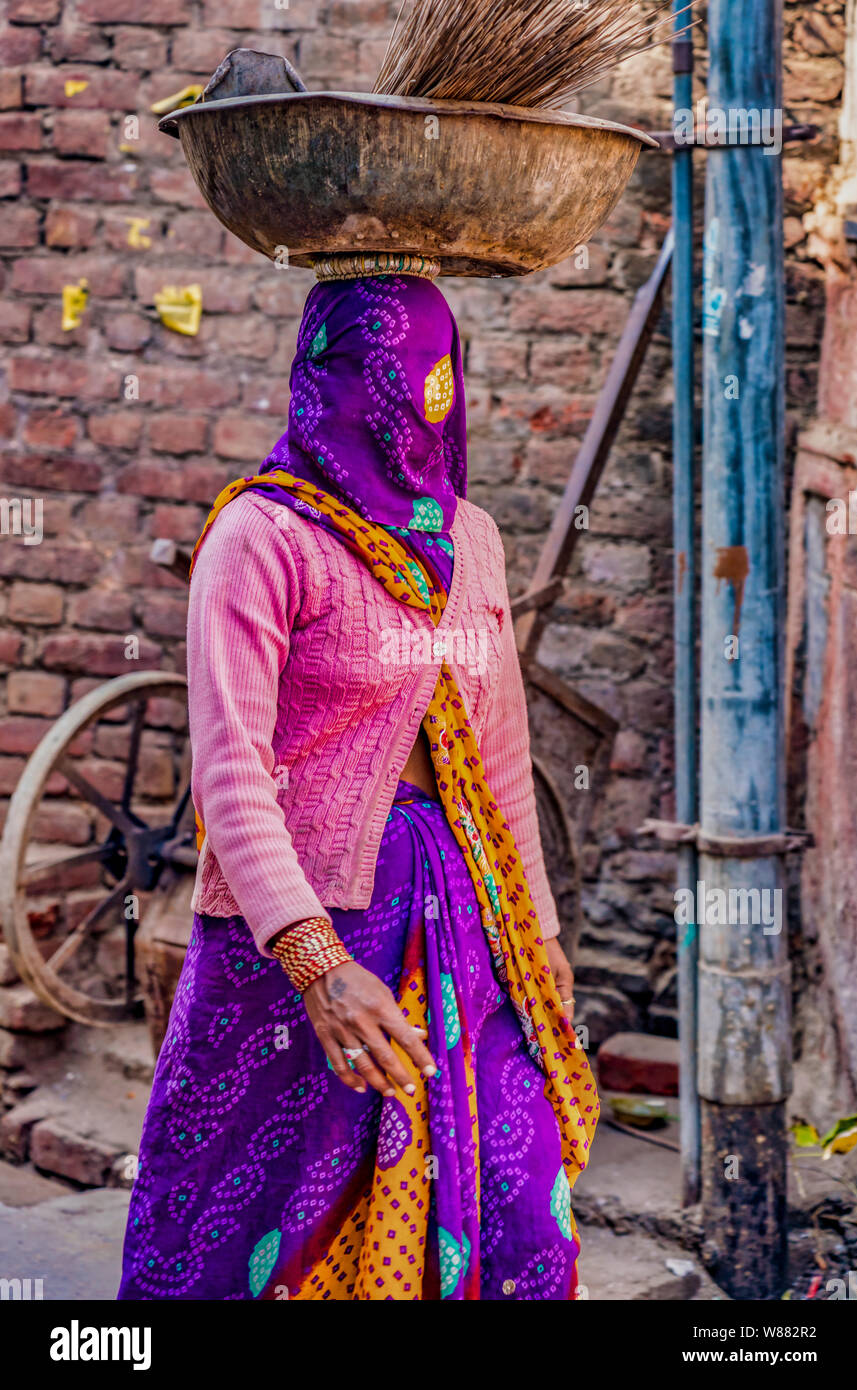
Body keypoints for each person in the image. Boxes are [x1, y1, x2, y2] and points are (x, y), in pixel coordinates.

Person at [118, 264, 598, 1301]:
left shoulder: (470, 541)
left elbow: (503, 759)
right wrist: (316, 963)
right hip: (301, 939)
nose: (407, 401)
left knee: (509, 1205)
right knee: (267, 1225)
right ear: (316, 374)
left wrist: (545, 941)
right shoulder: (263, 536)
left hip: (469, 925)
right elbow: (232, 774)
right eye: (375, 372)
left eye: (427, 373)